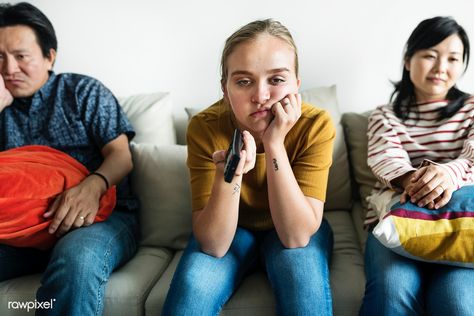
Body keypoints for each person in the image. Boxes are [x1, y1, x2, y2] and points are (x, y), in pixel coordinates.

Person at [162, 19, 335, 315]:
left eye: (277, 80)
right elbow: (215, 245)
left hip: (296, 224)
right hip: (232, 226)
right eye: (243, 81)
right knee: (190, 295)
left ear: (297, 83)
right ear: (225, 88)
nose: (261, 96)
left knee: (305, 296)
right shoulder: (205, 127)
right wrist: (232, 172)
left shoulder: (316, 125)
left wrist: (275, 144)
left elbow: (295, 237)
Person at [0, 2, 139, 315]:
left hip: (100, 220)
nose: (9, 69)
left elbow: (121, 156)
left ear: (49, 56)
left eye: (21, 56)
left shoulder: (82, 91)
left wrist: (93, 186)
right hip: (21, 231)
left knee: (79, 260)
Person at [360, 16, 474, 315]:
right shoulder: (384, 116)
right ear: (408, 60)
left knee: (457, 302)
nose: (440, 68)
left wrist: (447, 175)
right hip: (394, 220)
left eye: (452, 58)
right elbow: (387, 159)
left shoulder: (473, 108)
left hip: (460, 225)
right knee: (391, 291)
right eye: (430, 56)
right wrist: (419, 180)